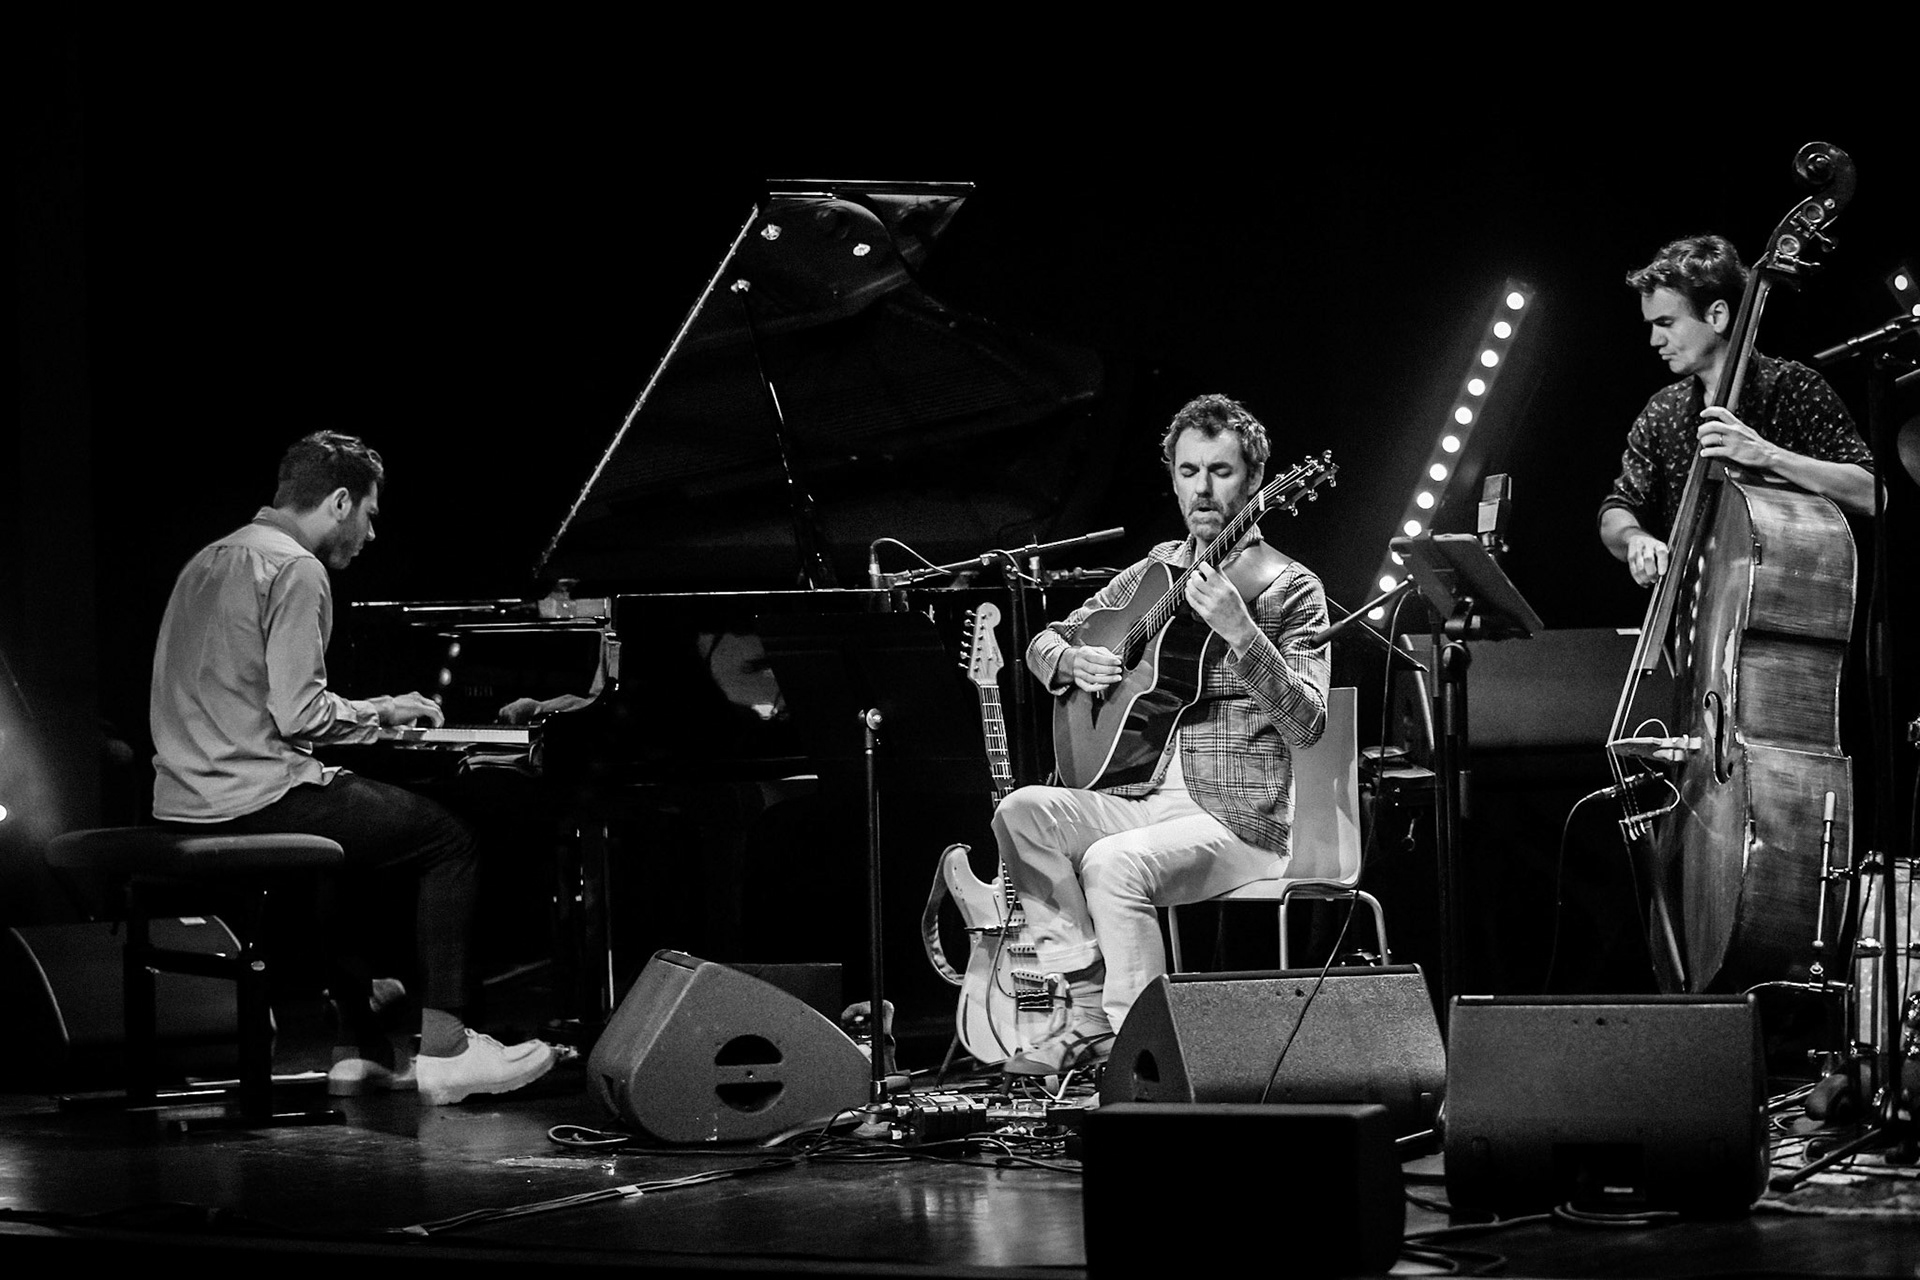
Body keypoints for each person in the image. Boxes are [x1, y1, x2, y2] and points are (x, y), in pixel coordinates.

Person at [149, 430, 557, 1104]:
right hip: (255, 794)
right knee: (449, 840)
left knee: (353, 841)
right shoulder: (296, 568)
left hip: (185, 794)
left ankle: (357, 1042)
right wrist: (385, 714)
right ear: (340, 501)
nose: (370, 535)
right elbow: (303, 717)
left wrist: (372, 715)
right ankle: (449, 1049)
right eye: (369, 514)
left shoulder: (209, 558)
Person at [990, 394, 1330, 1076]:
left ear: (1258, 479)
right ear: (1172, 476)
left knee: (1112, 863)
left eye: (1222, 471)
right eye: (1188, 470)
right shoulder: (1153, 572)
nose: (1203, 489)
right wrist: (1070, 661)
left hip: (1239, 819)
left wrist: (1242, 632)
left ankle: (1138, 1059)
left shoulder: (1289, 587)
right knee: (1022, 811)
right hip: (1140, 796)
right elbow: (1045, 641)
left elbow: (1309, 722)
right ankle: (1085, 1014)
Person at [1599, 233, 1877, 586]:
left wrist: (1767, 455)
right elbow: (1617, 508)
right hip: (1687, 626)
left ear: (1717, 315)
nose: (1654, 340)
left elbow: (1870, 492)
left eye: (1666, 323)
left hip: (1785, 600)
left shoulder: (1793, 387)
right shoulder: (1663, 411)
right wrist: (1634, 538)